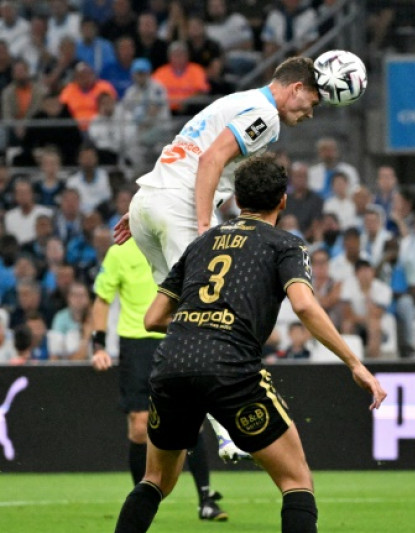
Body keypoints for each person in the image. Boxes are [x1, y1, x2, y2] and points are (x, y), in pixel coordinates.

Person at [111, 153, 386, 533]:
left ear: (237, 200)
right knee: (296, 480)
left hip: (172, 362)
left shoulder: (201, 243)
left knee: (155, 480)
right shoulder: (285, 245)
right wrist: (355, 364)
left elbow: (153, 318)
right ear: (283, 200)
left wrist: (201, 321)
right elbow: (304, 305)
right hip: (230, 367)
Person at [112, 55, 323, 461]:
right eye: (311, 102)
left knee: (172, 319)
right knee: (212, 313)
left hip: (149, 199)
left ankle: (186, 396)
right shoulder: (267, 116)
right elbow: (211, 160)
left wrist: (144, 210)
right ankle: (227, 430)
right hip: (178, 208)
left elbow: (186, 152)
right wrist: (204, 223)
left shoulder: (235, 100)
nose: (311, 113)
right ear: (296, 87)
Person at [91, 238, 228, 522]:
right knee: (139, 425)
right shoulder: (119, 252)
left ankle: (206, 499)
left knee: (192, 420)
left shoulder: (175, 244)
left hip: (176, 334)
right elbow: (103, 298)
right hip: (136, 344)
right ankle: (140, 499)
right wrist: (99, 344)